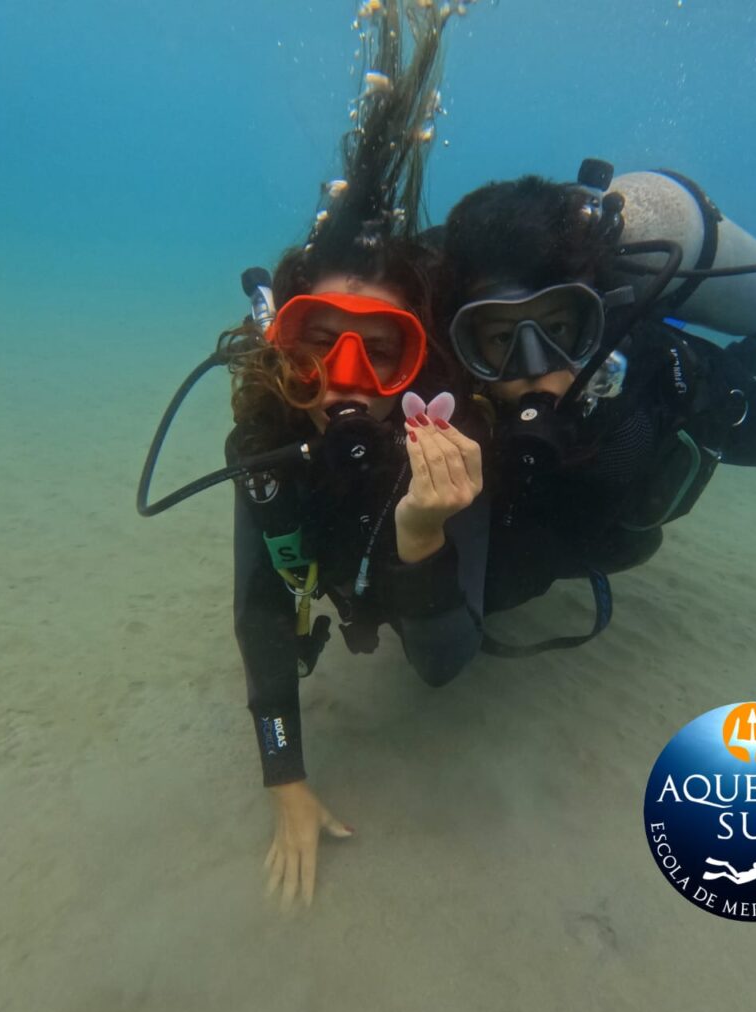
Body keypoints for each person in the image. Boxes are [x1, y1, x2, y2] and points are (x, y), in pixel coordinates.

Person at [222, 0, 486, 907]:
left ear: (422, 358)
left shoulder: (443, 443)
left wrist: (423, 533)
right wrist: (285, 780)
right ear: (280, 344)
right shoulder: (266, 436)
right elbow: (260, 606)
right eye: (316, 341)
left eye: (382, 350)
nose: (343, 378)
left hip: (432, 573)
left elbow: (445, 661)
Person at [437, 173, 756, 622]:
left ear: (595, 317)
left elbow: (583, 545)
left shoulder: (638, 399)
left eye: (558, 329)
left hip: (687, 393)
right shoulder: (440, 373)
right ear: (461, 336)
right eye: (501, 339)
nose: (537, 370)